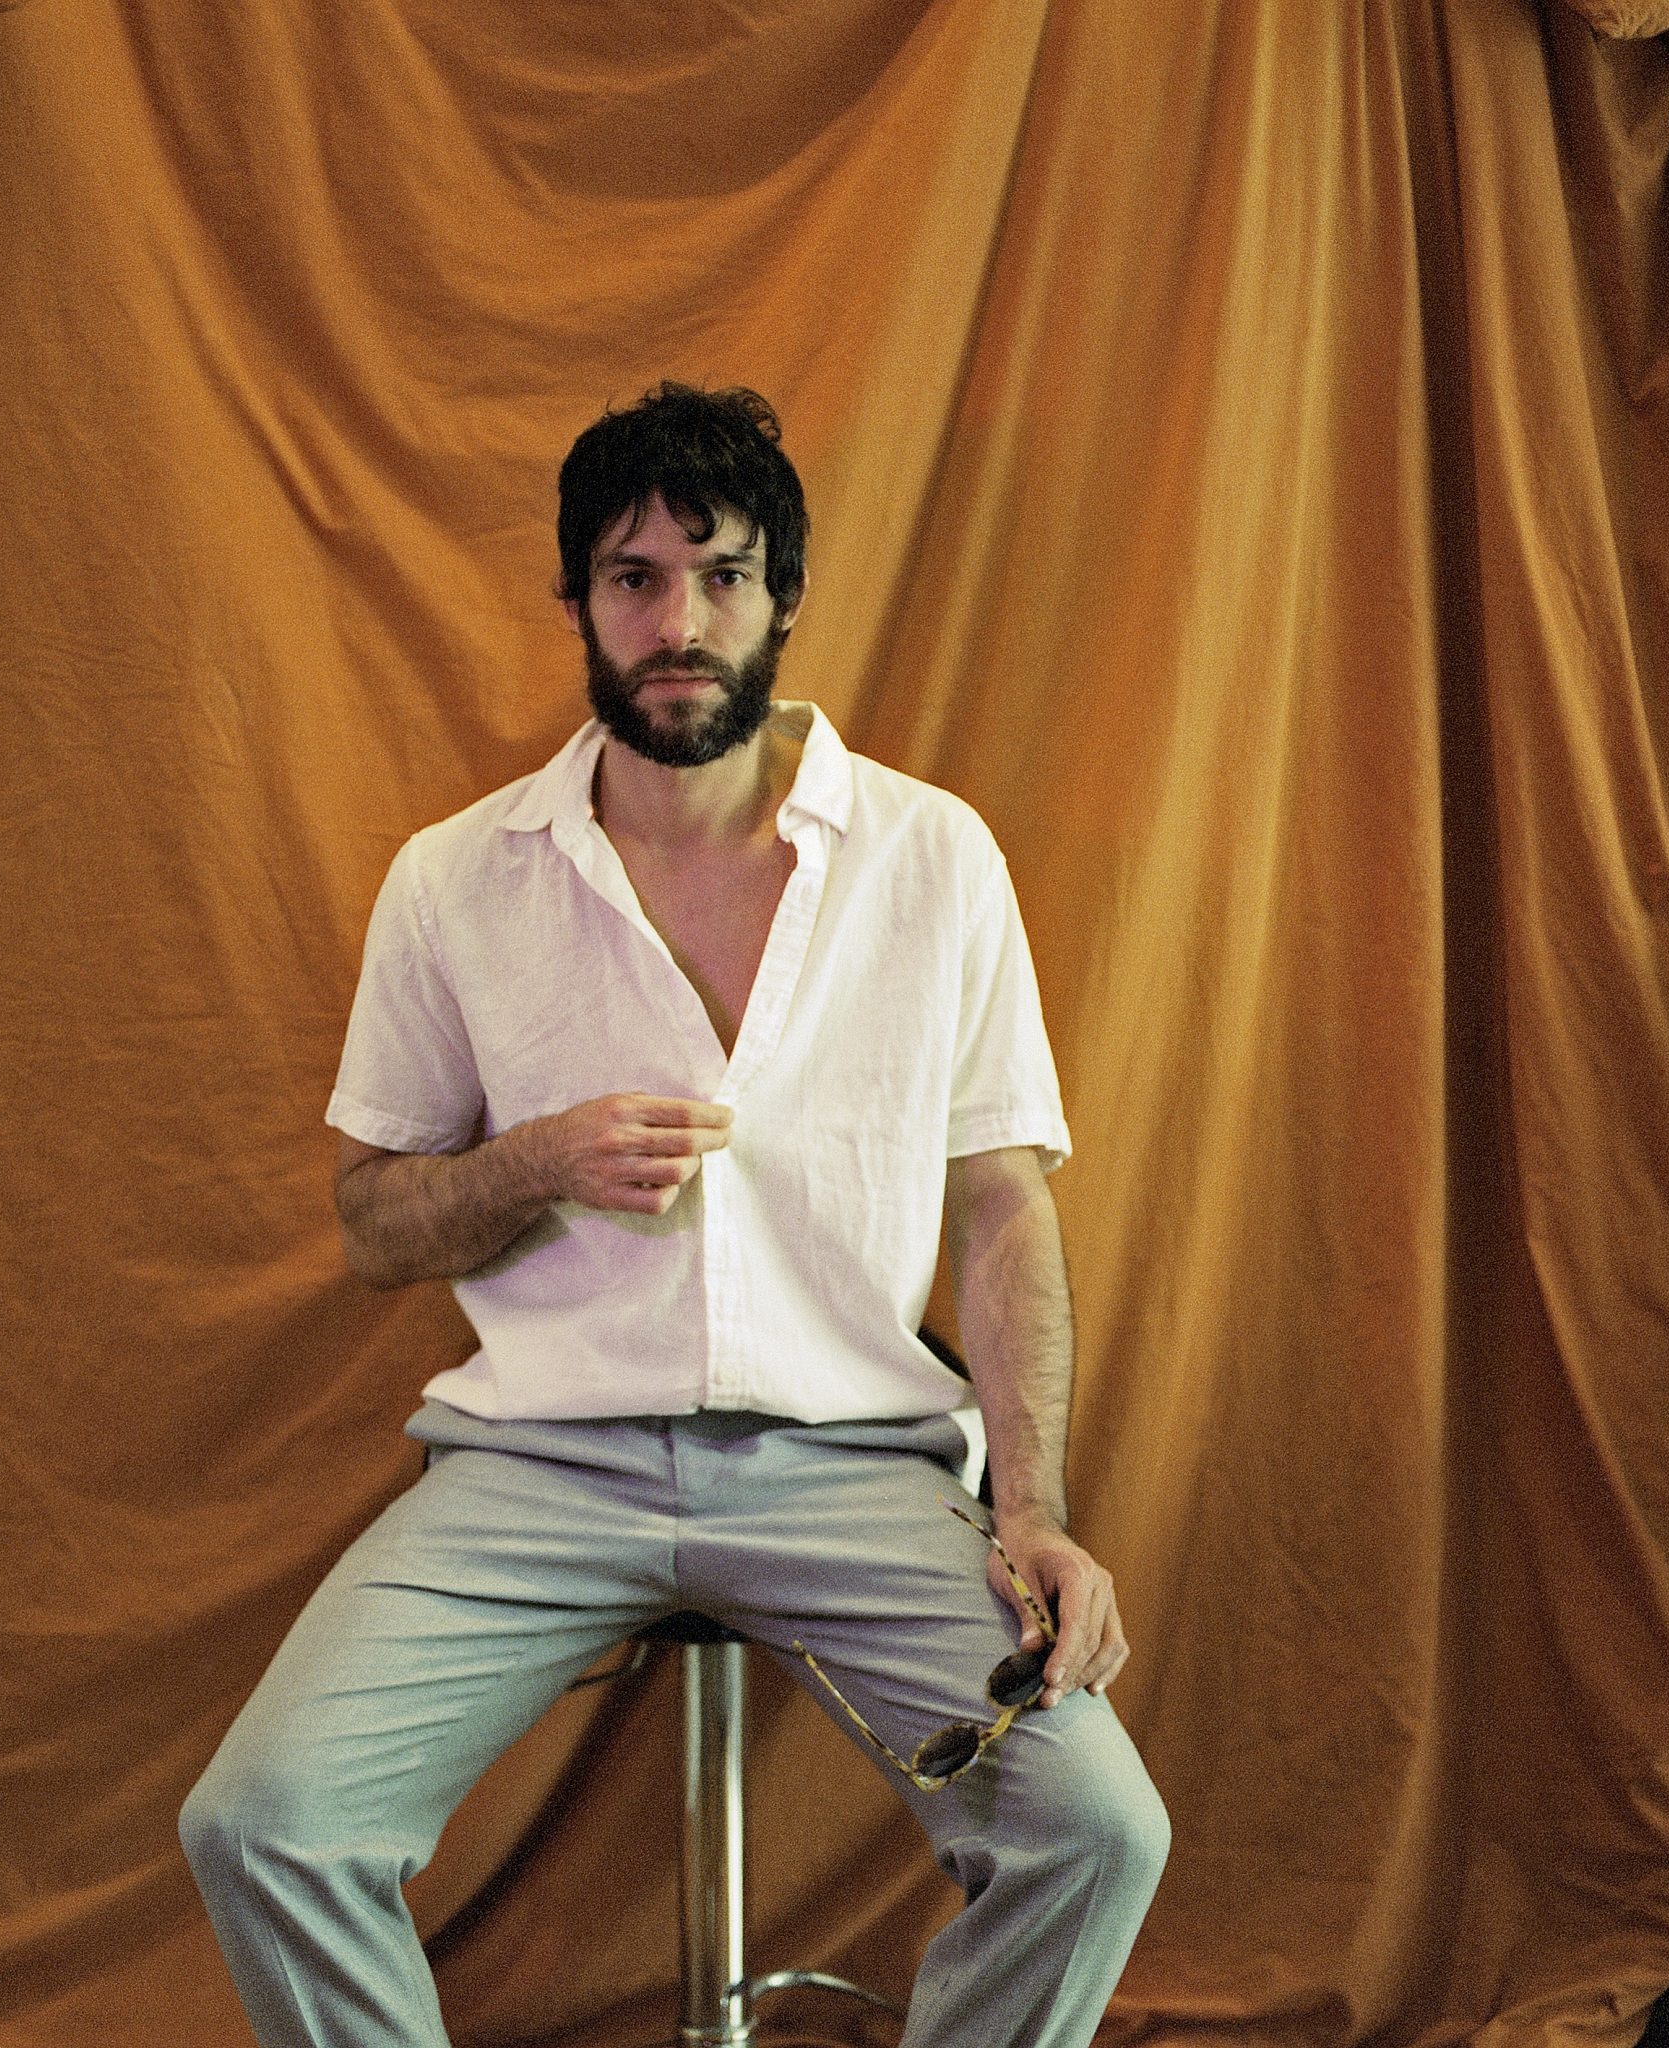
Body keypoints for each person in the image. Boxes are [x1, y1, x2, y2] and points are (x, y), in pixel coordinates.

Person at [180, 383, 1169, 2048]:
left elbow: (1002, 1212)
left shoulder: (932, 857)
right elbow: (371, 1226)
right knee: (262, 1822)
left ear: (786, 598)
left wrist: (1037, 1514)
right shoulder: (457, 878)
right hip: (535, 1465)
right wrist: (534, 1162)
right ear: (576, 602)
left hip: (851, 1466)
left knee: (1098, 1834)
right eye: (634, 579)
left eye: (723, 576)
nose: (680, 623)